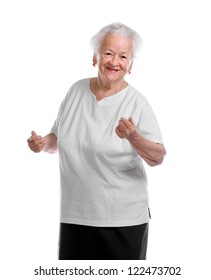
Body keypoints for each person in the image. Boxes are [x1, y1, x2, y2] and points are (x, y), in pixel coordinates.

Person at [27, 22, 166, 260]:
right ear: (95, 57)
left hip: (123, 221)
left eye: (123, 56)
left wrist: (134, 137)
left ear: (130, 65)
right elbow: (58, 140)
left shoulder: (137, 103)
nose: (115, 62)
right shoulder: (75, 92)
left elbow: (158, 157)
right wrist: (42, 144)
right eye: (108, 53)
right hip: (75, 216)